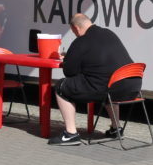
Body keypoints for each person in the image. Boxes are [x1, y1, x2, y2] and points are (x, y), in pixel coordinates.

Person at [50, 13, 135, 146]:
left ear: (76, 28)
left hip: (108, 88)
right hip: (132, 86)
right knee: (110, 82)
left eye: (74, 32)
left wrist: (69, 60)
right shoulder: (109, 33)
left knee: (61, 86)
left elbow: (69, 72)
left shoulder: (81, 41)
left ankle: (71, 134)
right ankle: (116, 128)